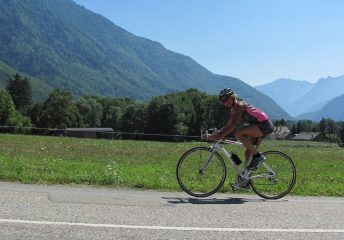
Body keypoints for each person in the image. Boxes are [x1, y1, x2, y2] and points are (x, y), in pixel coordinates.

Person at [206, 88, 274, 189]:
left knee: (238, 133)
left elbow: (233, 125)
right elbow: (228, 125)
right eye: (222, 101)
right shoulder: (233, 109)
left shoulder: (240, 106)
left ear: (233, 97)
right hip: (257, 126)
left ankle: (258, 157)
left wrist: (218, 136)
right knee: (248, 153)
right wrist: (218, 133)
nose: (225, 102)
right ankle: (246, 181)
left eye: (226, 99)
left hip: (264, 125)